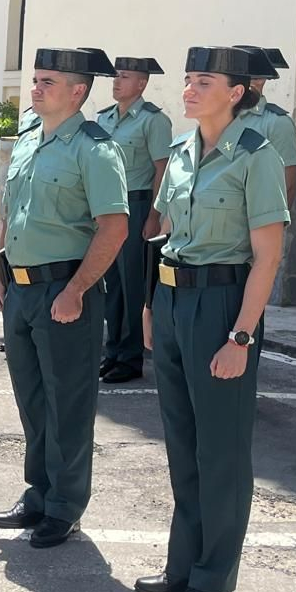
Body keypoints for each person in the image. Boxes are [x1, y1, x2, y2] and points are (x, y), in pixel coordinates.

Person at [137, 45, 289, 592]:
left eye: (204, 80)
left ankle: (214, 575)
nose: (190, 88)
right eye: (189, 79)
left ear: (236, 92)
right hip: (174, 298)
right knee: (181, 441)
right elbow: (166, 234)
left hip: (223, 303)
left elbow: (267, 256)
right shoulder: (179, 151)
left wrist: (242, 337)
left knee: (221, 448)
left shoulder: (257, 156)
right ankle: (183, 562)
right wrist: (153, 306)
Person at [0, 48, 128, 547]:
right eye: (36, 80)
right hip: (22, 288)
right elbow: (12, 212)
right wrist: (1, 271)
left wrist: (77, 290)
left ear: (77, 91)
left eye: (48, 81)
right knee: (32, 399)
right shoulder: (29, 141)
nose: (36, 88)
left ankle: (65, 504)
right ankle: (39, 491)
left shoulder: (94, 149)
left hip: (65, 290)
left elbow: (113, 226)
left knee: (67, 402)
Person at [97, 56, 173, 384]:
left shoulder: (153, 121)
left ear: (141, 84)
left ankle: (130, 358)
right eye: (115, 76)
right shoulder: (104, 118)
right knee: (109, 283)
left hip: (136, 205)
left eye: (124, 76)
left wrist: (154, 215)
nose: (116, 82)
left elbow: (162, 169)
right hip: (105, 209)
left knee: (131, 285)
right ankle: (112, 350)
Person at [236, 46, 296, 208]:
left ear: (259, 80)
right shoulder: (219, 118)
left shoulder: (277, 122)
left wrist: (271, 229)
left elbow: (287, 184)